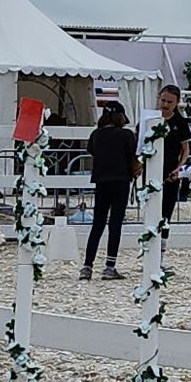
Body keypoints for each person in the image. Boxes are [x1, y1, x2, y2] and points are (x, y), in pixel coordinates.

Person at [80, 103, 137, 280]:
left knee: (97, 224)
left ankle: (87, 265)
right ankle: (110, 266)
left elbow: (91, 150)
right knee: (115, 224)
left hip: (102, 182)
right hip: (120, 181)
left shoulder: (96, 134)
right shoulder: (126, 135)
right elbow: (133, 153)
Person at [155, 84, 191, 272]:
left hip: (170, 174)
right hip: (152, 174)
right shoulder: (151, 118)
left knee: (165, 217)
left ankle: (159, 258)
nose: (165, 104)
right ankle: (149, 254)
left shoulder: (180, 122)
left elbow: (185, 149)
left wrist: (179, 168)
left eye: (170, 102)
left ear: (176, 102)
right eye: (163, 100)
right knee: (152, 215)